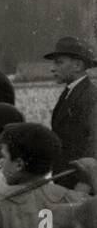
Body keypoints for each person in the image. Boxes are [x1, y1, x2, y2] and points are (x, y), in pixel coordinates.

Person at [43, 36, 96, 192]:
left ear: (78, 65)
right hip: (65, 181)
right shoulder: (69, 93)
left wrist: (86, 183)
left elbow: (93, 145)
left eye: (59, 62)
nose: (52, 68)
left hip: (80, 186)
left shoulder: (90, 96)